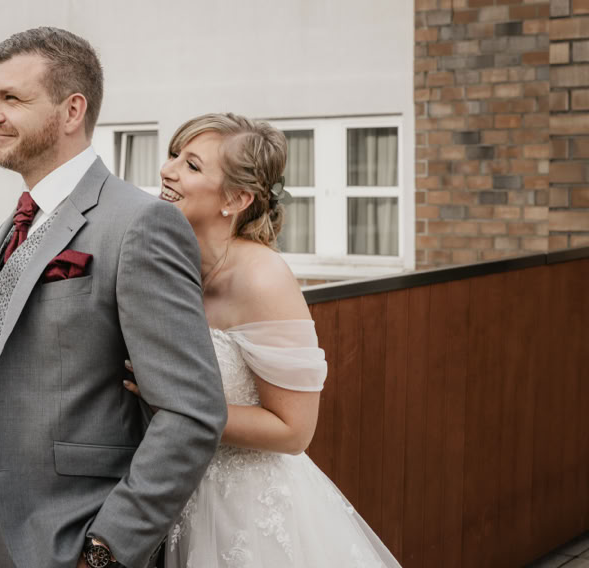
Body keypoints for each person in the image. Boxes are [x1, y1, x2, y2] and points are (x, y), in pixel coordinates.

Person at [0, 28, 227, 568]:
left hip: (77, 537)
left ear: (72, 110)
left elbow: (192, 412)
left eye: (11, 99)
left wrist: (106, 550)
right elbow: (19, 358)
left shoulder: (141, 223)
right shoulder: (18, 221)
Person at [124, 113, 402, 567]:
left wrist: (176, 406)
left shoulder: (263, 278)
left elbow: (294, 431)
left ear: (236, 199)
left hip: (247, 512)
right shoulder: (172, 264)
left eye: (191, 165)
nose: (167, 170)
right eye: (173, 155)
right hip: (172, 494)